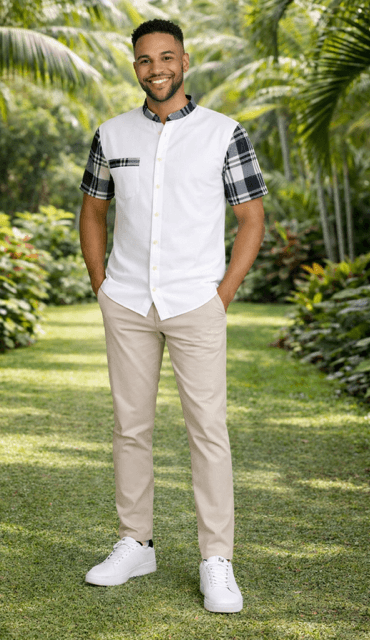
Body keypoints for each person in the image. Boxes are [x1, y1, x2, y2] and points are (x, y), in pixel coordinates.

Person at [79, 18, 267, 613]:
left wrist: (222, 294)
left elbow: (252, 219)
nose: (155, 68)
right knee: (130, 427)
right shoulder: (111, 133)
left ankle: (217, 559)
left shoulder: (224, 133)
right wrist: (102, 286)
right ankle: (136, 543)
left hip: (196, 302)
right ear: (135, 66)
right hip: (128, 300)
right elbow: (92, 211)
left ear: (184, 62)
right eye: (144, 59)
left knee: (208, 430)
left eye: (166, 57)